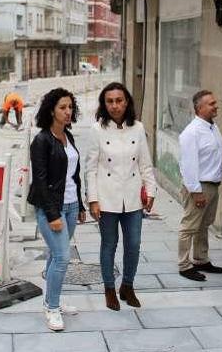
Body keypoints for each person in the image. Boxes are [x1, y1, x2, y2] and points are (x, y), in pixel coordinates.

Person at [86, 82, 158, 311]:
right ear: (104, 104)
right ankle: (109, 288)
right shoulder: (97, 130)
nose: (115, 106)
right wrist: (93, 199)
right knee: (109, 244)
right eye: (110, 101)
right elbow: (90, 169)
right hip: (107, 197)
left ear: (127, 102)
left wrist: (152, 190)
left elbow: (145, 164)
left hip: (133, 197)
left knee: (134, 244)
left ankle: (127, 286)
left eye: (119, 101)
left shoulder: (137, 128)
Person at [26, 87, 86, 332]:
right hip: (52, 207)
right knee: (62, 258)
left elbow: (74, 176)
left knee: (54, 256)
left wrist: (80, 205)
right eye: (62, 107)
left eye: (70, 107)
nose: (68, 111)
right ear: (51, 110)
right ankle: (52, 308)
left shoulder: (67, 136)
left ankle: (53, 301)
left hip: (71, 205)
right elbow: (40, 181)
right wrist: (52, 215)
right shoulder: (41, 140)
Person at [177, 90, 222, 282]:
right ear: (199, 108)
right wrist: (196, 192)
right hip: (199, 186)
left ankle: (200, 259)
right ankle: (183, 264)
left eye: (215, 102)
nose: (216, 106)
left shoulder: (213, 127)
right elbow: (187, 165)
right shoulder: (192, 132)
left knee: (204, 225)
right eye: (211, 104)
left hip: (212, 185)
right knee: (189, 226)